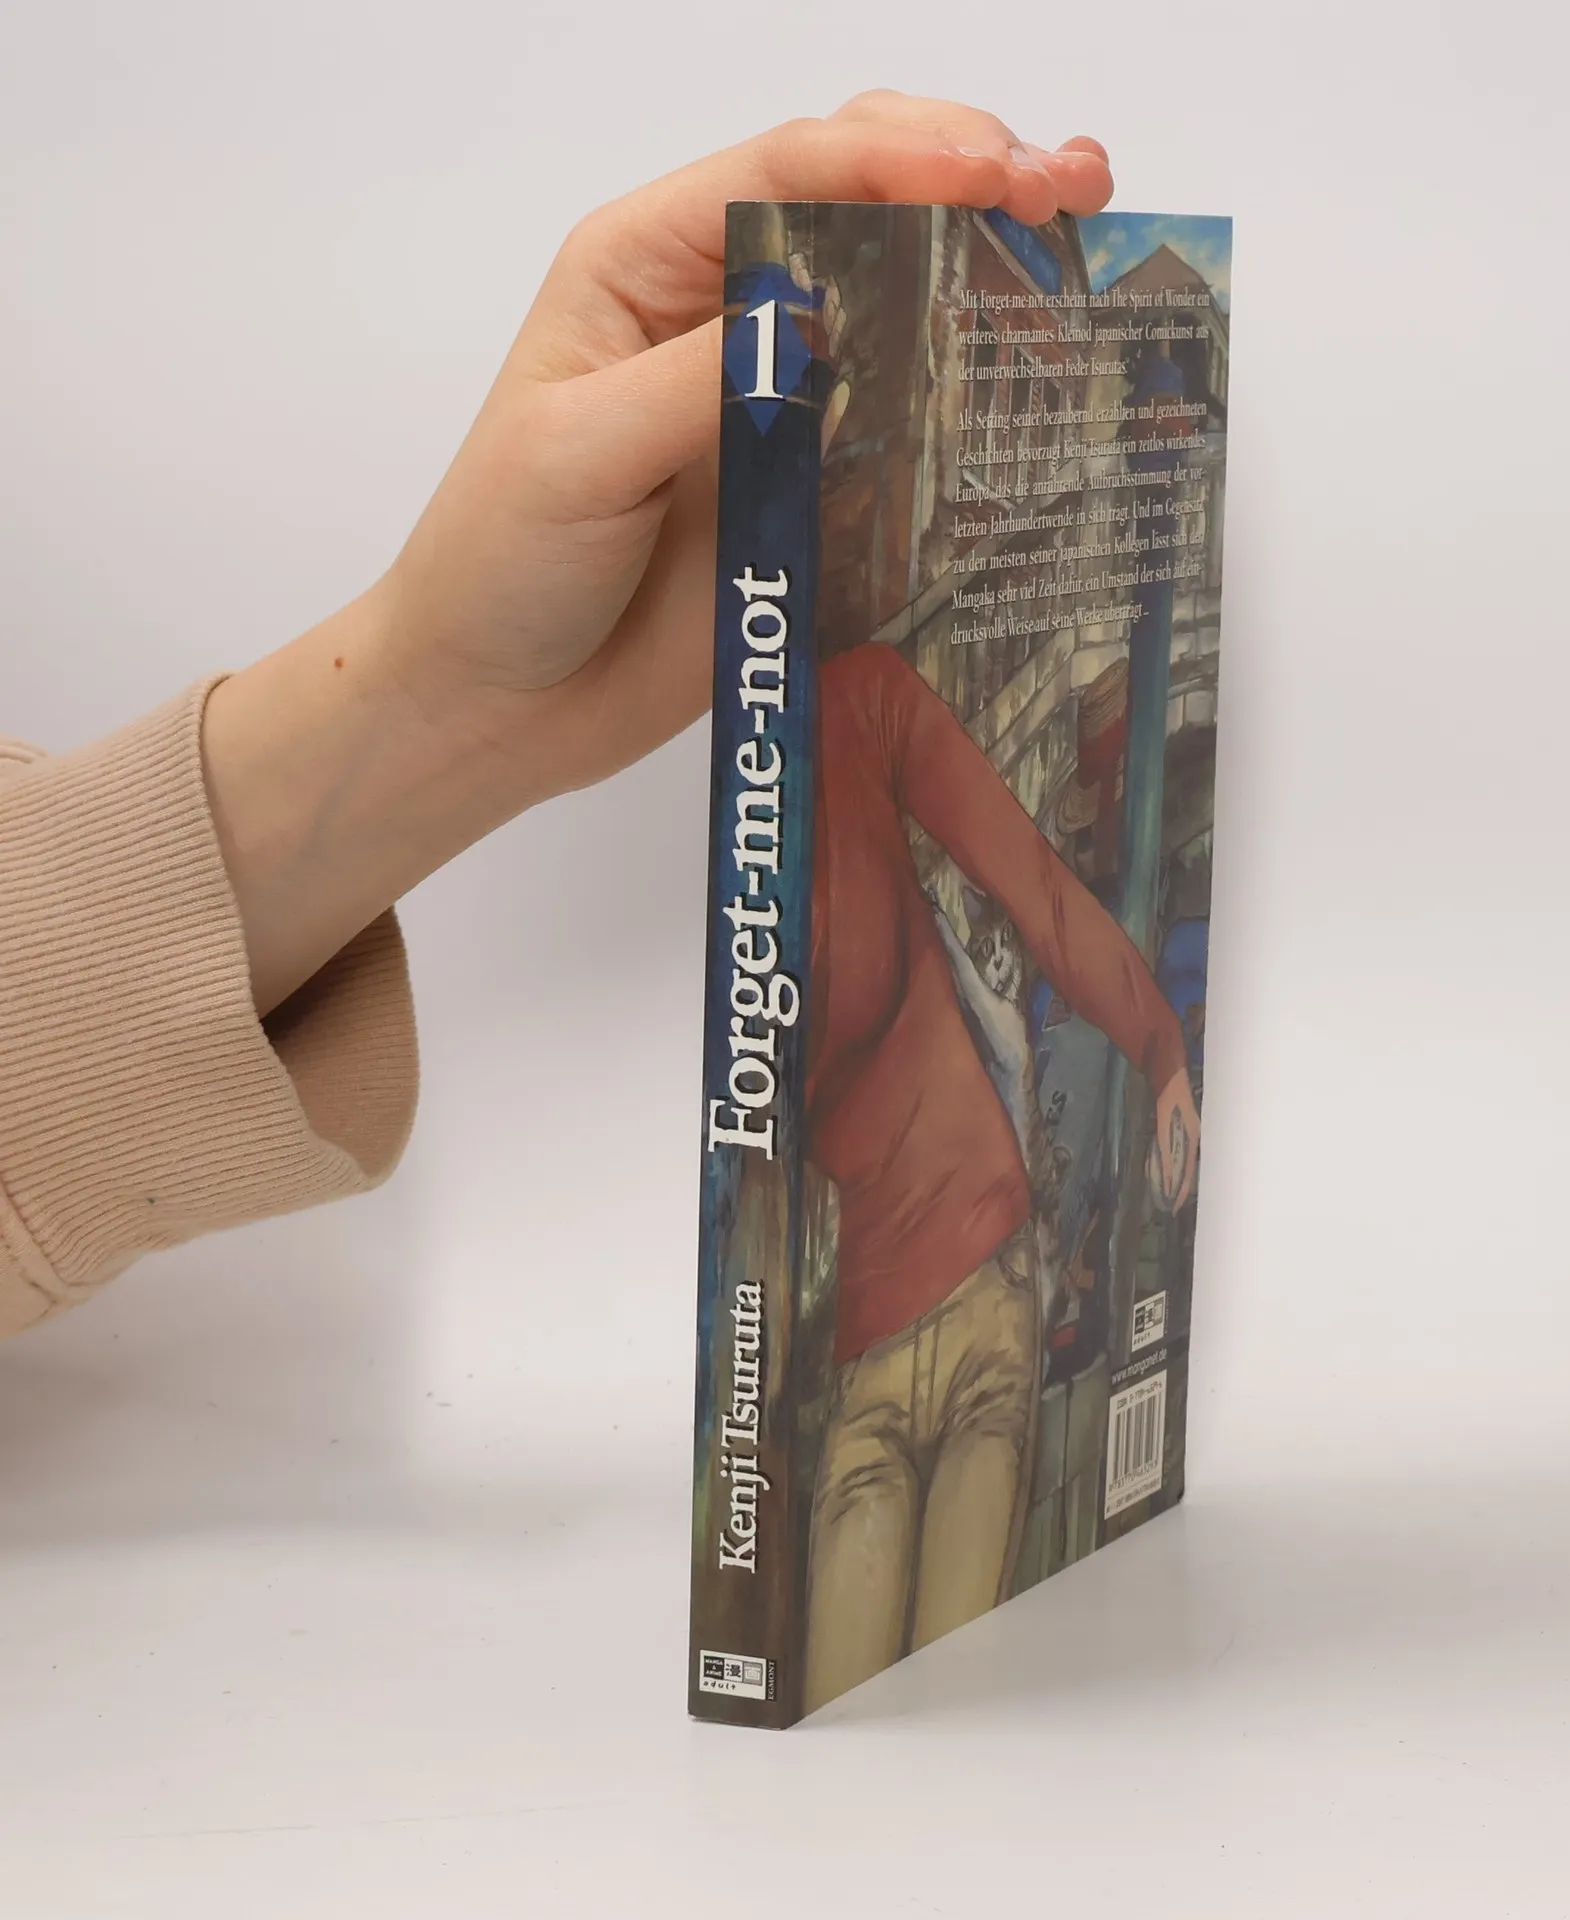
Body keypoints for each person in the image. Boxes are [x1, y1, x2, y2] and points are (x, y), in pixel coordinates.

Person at [0, 95, 1116, 1340]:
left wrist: (438, 695)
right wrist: (445, 696)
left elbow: (1048, 903)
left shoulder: (884, 715)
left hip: (965, 1272)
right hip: (874, 1314)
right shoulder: (863, 728)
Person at [802, 642, 1200, 1710]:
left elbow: (1038, 889)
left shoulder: (857, 701)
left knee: (959, 1709)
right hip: (868, 1359)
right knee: (843, 1708)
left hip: (988, 1288)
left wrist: (1161, 1046)